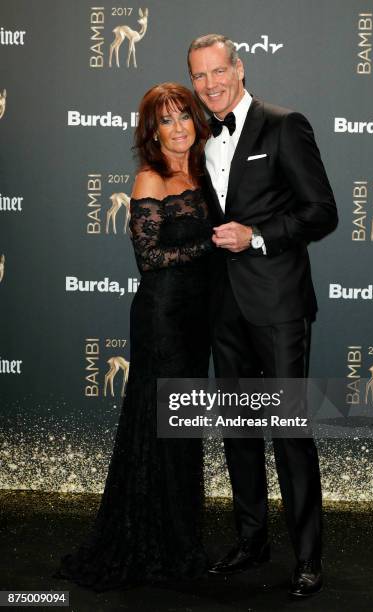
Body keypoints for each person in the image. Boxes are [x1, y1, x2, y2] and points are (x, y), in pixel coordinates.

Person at [187, 34, 338, 597]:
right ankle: (251, 540)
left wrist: (258, 236)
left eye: (218, 71)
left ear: (240, 68)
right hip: (223, 307)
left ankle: (307, 558)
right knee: (239, 432)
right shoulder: (201, 137)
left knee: (289, 432)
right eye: (199, 76)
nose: (210, 84)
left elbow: (322, 211)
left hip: (277, 307)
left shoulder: (284, 124)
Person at [54, 83, 213, 591]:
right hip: (163, 315)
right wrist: (210, 243)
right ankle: (151, 544)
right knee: (159, 421)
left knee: (183, 424)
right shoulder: (150, 180)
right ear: (152, 131)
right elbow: (151, 259)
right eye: (166, 121)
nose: (178, 128)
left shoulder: (207, 171)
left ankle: (181, 538)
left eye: (184, 116)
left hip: (198, 318)